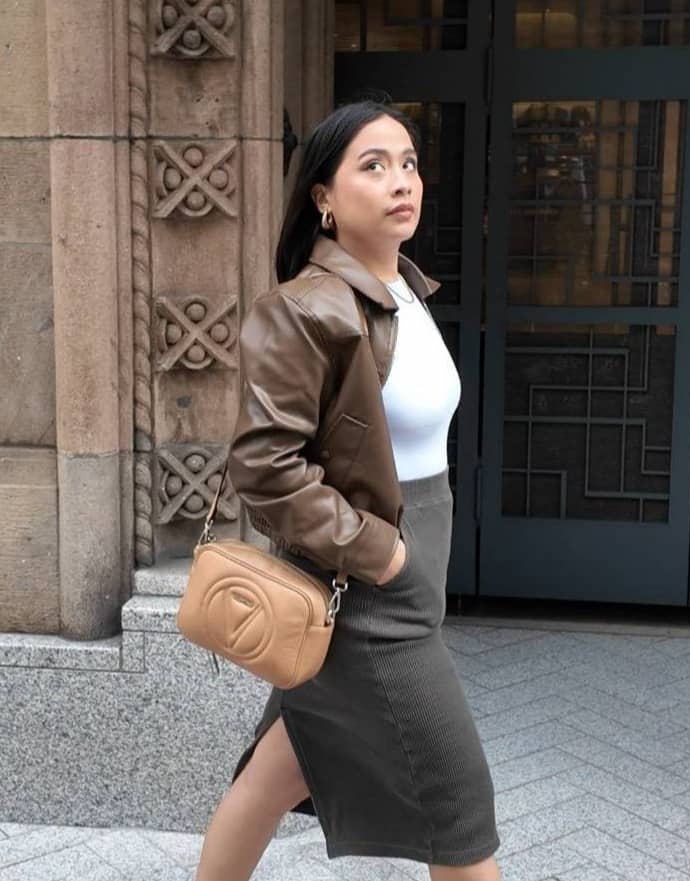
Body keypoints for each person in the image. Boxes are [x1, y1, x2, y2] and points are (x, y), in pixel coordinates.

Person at [194, 100, 502, 881]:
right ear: (322, 197)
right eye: (373, 165)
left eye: (409, 163)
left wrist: (410, 562)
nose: (402, 181)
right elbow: (264, 466)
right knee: (459, 812)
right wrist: (384, 555)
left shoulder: (405, 293)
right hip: (365, 590)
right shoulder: (305, 309)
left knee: (277, 773)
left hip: (407, 579)